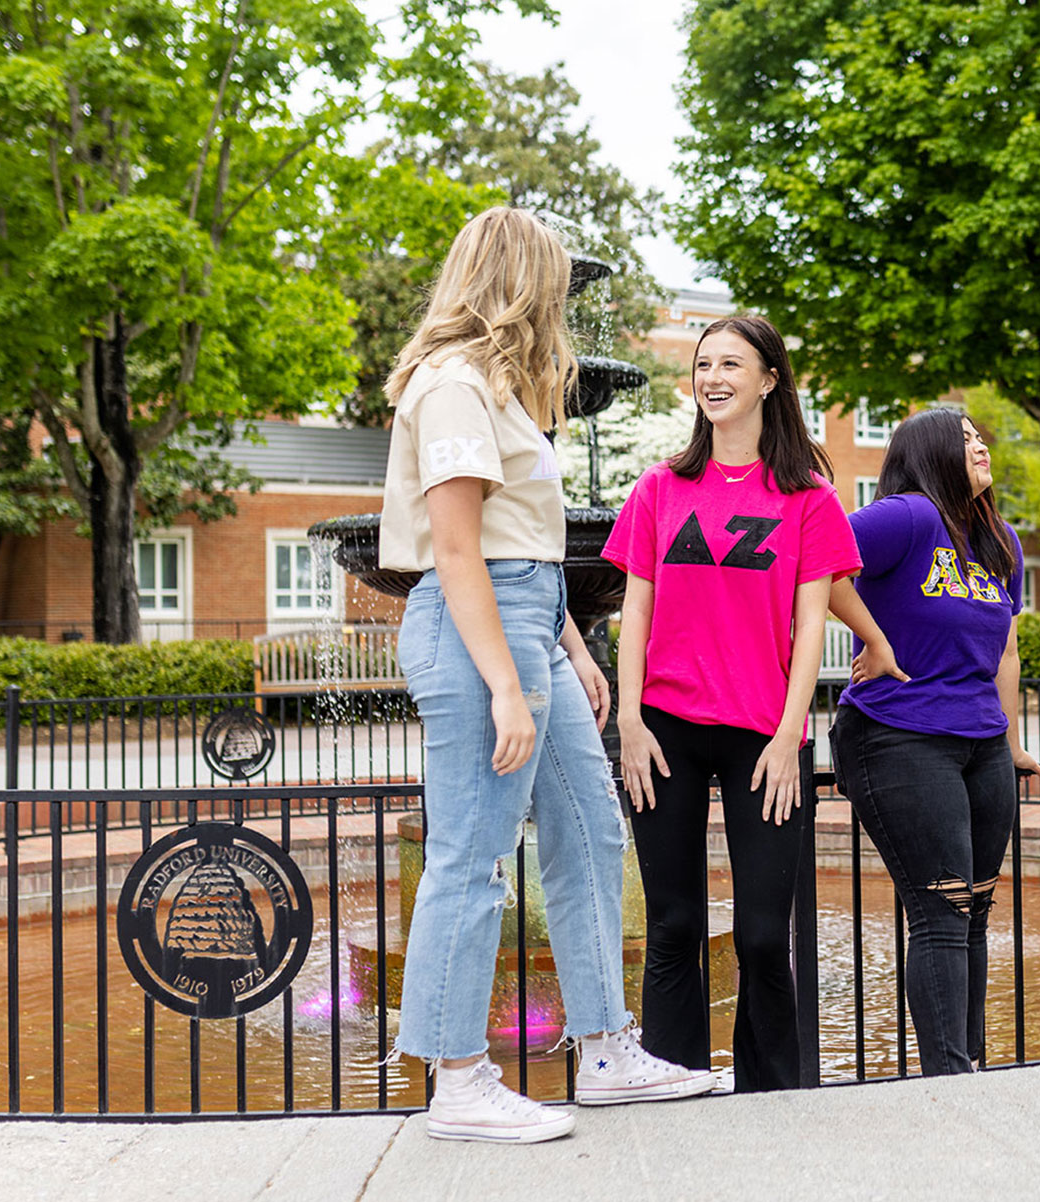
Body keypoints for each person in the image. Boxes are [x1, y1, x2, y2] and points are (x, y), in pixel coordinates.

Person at [380, 207, 714, 1144]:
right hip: (473, 629)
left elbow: (518, 541)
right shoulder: (451, 386)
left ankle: (605, 1049)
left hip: (526, 621)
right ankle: (457, 1081)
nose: (564, 298)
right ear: (518, 279)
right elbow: (454, 551)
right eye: (554, 280)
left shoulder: (501, 388)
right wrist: (502, 681)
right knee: (472, 857)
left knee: (591, 830)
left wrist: (568, 643)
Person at [604, 314, 862, 1093]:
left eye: (732, 365)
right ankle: (672, 1081)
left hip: (764, 733)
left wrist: (791, 736)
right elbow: (636, 611)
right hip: (666, 730)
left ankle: (773, 1096)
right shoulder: (660, 486)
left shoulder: (809, 498)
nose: (713, 378)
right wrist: (628, 719)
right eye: (704, 365)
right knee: (675, 926)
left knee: (758, 938)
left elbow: (813, 623)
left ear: (769, 380)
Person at [825, 409, 1040, 1076]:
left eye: (982, 437)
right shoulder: (908, 516)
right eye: (966, 438)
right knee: (944, 909)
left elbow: (1004, 649)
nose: (980, 446)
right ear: (933, 452)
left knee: (973, 909)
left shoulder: (1001, 539)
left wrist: (1009, 739)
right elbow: (820, 561)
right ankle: (950, 1080)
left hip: (981, 742)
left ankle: (966, 1063)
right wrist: (877, 638)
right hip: (898, 734)